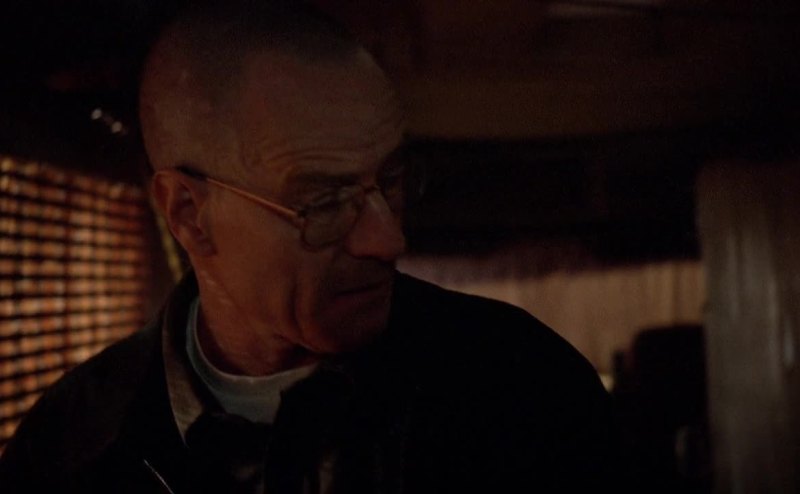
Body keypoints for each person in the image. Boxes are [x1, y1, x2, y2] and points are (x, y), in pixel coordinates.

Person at [0, 1, 622, 492]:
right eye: (322, 202)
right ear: (189, 215)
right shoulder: (70, 447)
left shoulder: (523, 389)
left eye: (391, 180)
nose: (388, 239)